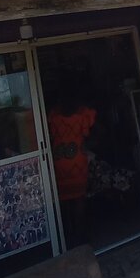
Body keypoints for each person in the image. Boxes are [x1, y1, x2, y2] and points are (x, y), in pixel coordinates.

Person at [47, 78, 96, 248]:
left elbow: (50, 134)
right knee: (79, 198)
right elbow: (87, 132)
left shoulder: (54, 115)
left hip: (59, 161)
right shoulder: (82, 113)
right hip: (76, 161)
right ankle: (80, 234)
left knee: (65, 200)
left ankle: (68, 233)